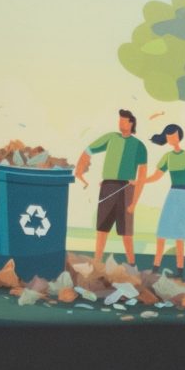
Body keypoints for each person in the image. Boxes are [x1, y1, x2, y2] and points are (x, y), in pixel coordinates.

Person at [74, 108, 148, 265]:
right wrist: (80, 169)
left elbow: (142, 176)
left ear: (131, 123)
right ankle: (97, 261)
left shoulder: (139, 146)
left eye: (123, 120)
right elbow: (89, 150)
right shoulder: (111, 137)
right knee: (102, 228)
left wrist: (134, 203)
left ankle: (131, 264)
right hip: (107, 186)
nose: (120, 123)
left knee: (126, 232)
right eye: (119, 120)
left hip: (126, 188)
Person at [139, 124, 185, 273]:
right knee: (162, 233)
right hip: (172, 194)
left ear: (179, 136)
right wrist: (139, 181)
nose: (171, 139)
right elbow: (156, 176)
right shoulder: (167, 156)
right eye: (169, 136)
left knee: (179, 235)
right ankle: (155, 269)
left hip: (184, 195)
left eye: (174, 136)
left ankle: (180, 271)